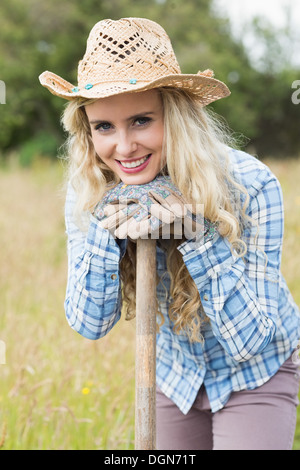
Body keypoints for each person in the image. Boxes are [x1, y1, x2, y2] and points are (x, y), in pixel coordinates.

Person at [39, 17, 300, 450]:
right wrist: (108, 226)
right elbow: (88, 323)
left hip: (257, 373)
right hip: (174, 375)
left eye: (141, 120)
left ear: (176, 117)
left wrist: (197, 234)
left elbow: (252, 342)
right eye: (104, 126)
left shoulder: (252, 185)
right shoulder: (89, 190)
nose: (123, 147)